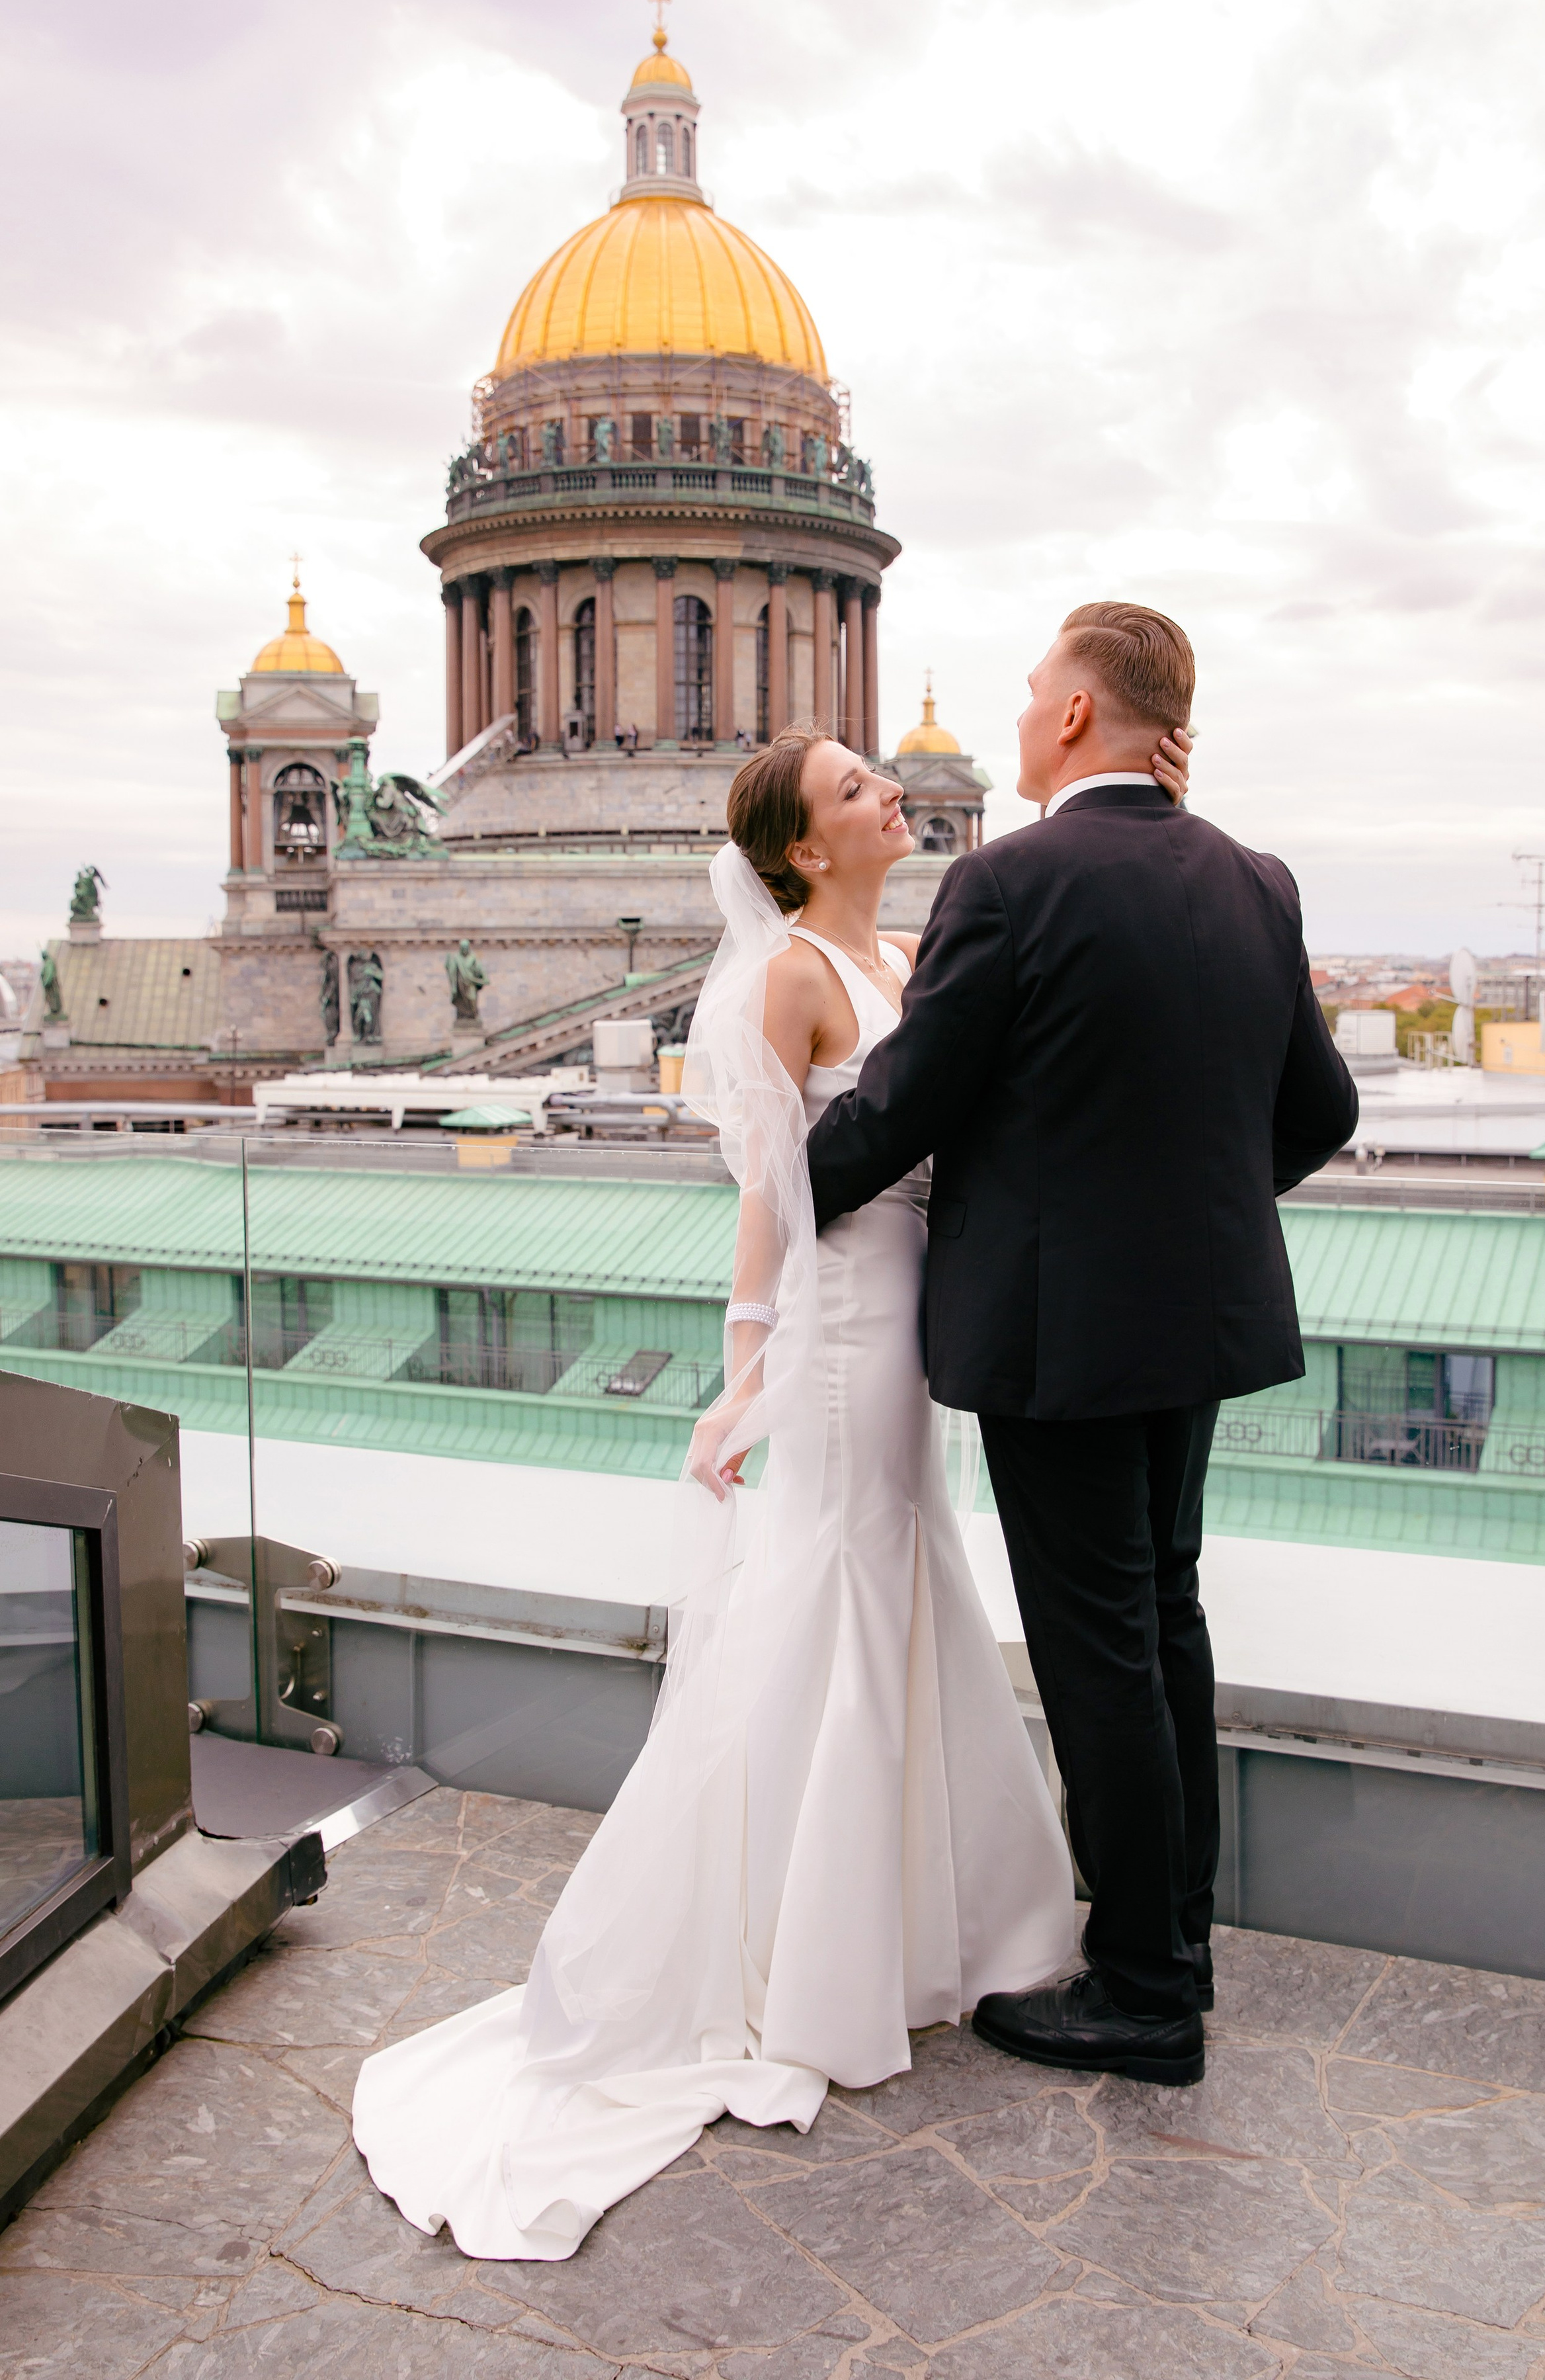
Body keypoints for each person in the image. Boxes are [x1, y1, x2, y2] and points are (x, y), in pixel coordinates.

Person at [351, 704, 1194, 2258]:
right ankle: (813, 1966)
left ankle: (883, 1936)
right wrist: (742, 1373)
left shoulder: (897, 962)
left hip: (912, 1326)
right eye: (860, 788)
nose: (894, 792)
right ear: (805, 848)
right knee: (837, 1592)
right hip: (839, 1335)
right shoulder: (794, 975)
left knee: (891, 1580)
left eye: (881, 777)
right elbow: (768, 1197)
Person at [806, 601, 1358, 2085]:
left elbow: (910, 1100)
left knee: (1098, 1645)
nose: (1016, 709)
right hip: (1196, 1320)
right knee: (1161, 1617)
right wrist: (1183, 1222)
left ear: (1067, 720)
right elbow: (1319, 1116)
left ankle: (1139, 1993)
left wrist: (775, 1183)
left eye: (1029, 686)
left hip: (1055, 1332)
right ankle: (1174, 1941)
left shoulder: (1011, 880)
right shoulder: (1255, 881)